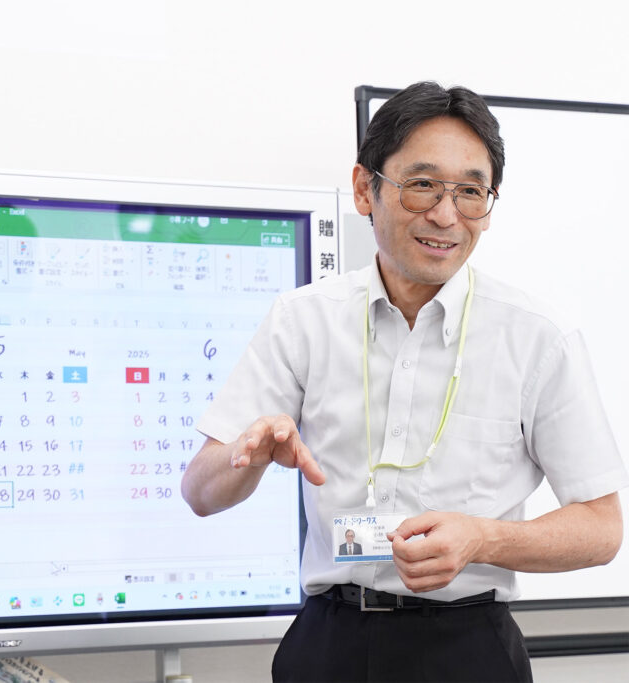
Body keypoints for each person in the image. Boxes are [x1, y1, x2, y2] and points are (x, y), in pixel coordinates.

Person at [181, 81, 627, 683]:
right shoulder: (303, 319)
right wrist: (247, 454)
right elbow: (200, 493)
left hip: (469, 649)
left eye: (470, 192)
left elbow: (601, 529)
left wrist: (482, 539)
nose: (446, 215)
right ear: (365, 189)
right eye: (422, 185)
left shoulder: (537, 337)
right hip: (328, 642)